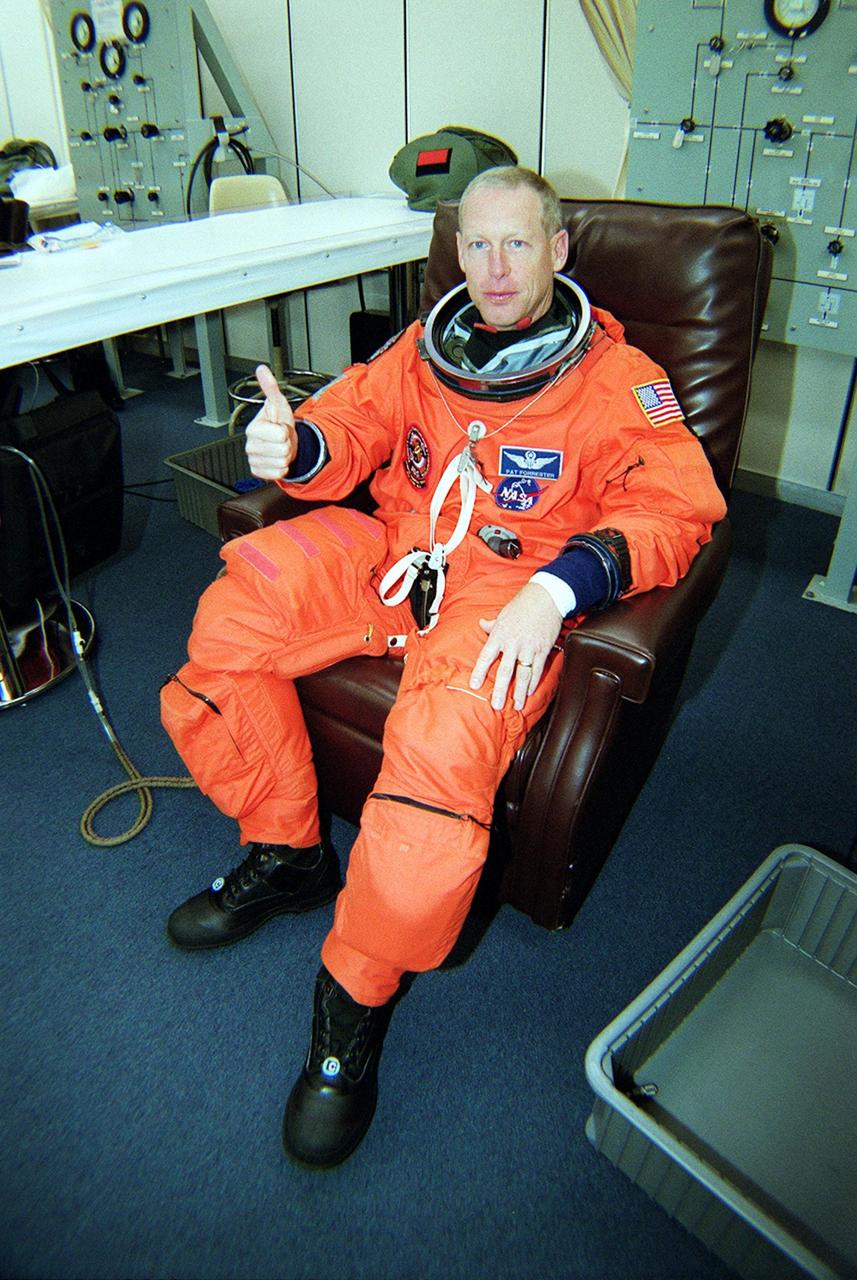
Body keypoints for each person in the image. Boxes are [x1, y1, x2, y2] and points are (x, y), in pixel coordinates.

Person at [160, 166, 727, 1168]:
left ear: (557, 249)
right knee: (232, 614)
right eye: (475, 244)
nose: (494, 267)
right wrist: (292, 442)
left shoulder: (615, 379)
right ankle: (288, 852)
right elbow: (349, 429)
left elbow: (674, 509)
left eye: (516, 243)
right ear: (454, 251)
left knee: (435, 753)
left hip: (502, 597)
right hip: (395, 557)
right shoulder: (424, 349)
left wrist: (557, 592)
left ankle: (353, 997)